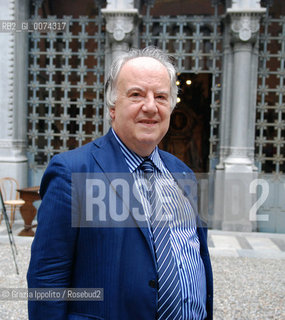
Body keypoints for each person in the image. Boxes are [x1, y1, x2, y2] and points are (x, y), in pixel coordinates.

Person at [27, 46, 213, 320]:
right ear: (113, 107)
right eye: (136, 94)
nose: (150, 106)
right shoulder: (72, 172)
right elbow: (47, 279)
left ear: (171, 108)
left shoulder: (183, 174)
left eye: (161, 96)